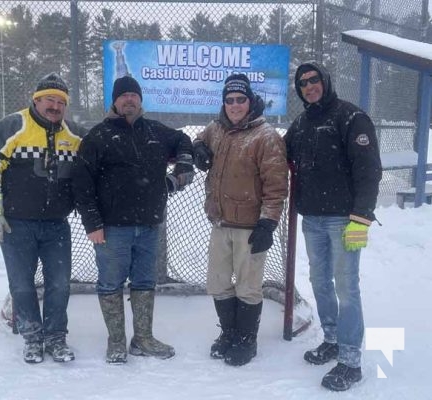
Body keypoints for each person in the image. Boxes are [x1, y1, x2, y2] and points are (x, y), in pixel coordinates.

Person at [72, 75, 194, 364]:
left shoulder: (155, 131)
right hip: (112, 229)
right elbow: (82, 184)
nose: (129, 99)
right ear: (114, 101)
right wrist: (92, 224)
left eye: (134, 95)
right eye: (123, 95)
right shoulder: (98, 136)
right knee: (110, 283)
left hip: (150, 225)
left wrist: (185, 159)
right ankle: (116, 341)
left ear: (140, 100)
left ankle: (142, 338)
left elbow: (182, 139)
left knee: (144, 281)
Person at [0, 73, 86, 364]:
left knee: (59, 284)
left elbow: (101, 159)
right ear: (36, 100)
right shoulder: (11, 127)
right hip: (16, 225)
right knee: (21, 285)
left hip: (56, 226)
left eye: (61, 101)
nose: (55, 106)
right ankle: (33, 337)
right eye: (50, 99)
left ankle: (56, 338)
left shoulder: (74, 135)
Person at [285, 62, 382, 391]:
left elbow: (369, 170)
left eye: (314, 80)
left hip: (345, 220)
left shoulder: (351, 118)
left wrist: (361, 217)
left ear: (325, 81)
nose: (309, 86)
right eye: (303, 83)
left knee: (346, 287)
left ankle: (351, 360)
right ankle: (333, 339)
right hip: (311, 219)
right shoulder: (300, 124)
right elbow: (278, 154)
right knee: (319, 281)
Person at [193, 74, 288, 367]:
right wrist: (197, 148)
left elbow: (276, 185)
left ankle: (247, 339)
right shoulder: (216, 128)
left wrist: (268, 223)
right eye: (229, 100)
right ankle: (230, 333)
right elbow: (199, 139)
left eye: (240, 100)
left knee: (248, 286)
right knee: (218, 283)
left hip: (250, 226)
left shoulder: (265, 136)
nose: (234, 105)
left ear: (250, 101)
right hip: (220, 223)